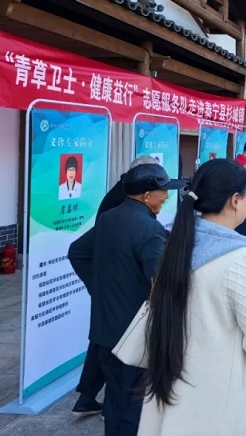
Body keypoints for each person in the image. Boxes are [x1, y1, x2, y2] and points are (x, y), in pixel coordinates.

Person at [139, 159, 246, 434]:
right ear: (235, 200)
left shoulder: (178, 245)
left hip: (170, 400)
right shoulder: (241, 258)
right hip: (218, 407)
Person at [90, 164, 184, 434]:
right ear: (146, 195)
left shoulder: (106, 218)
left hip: (104, 329)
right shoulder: (149, 229)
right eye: (163, 191)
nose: (166, 196)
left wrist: (98, 288)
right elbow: (161, 283)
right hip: (134, 333)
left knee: (115, 400)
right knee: (135, 406)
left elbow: (81, 252)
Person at [68, 156, 159, 417]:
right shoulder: (122, 204)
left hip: (115, 293)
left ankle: (91, 398)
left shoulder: (128, 200)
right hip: (119, 292)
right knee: (115, 355)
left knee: (105, 345)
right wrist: (97, 285)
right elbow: (81, 251)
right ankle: (101, 401)